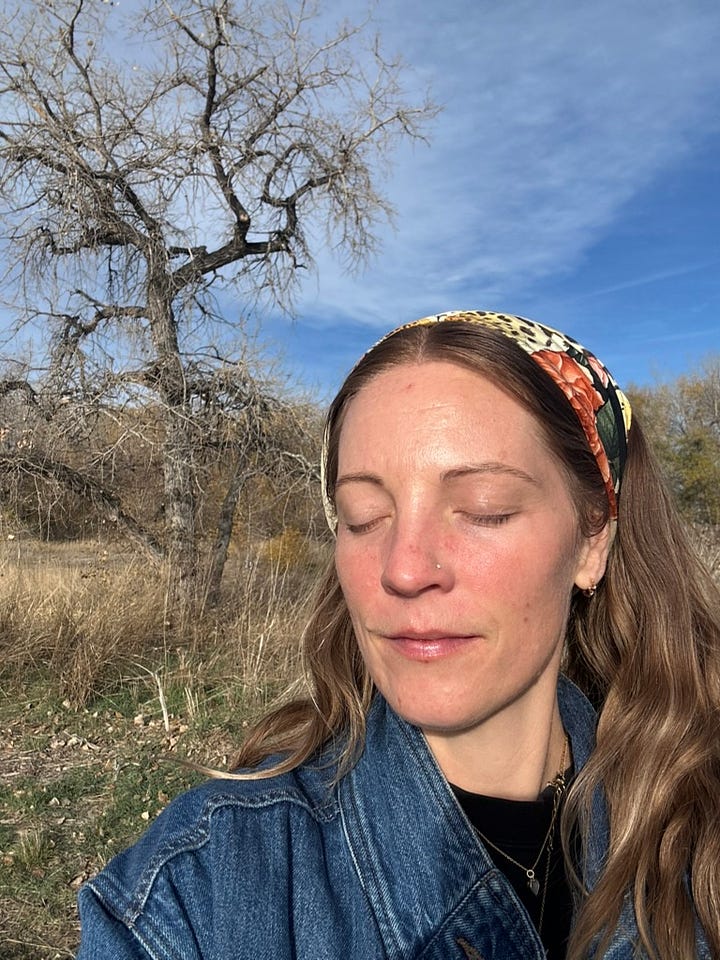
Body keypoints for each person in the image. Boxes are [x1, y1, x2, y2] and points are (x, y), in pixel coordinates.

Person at [76, 310, 720, 960]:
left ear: (592, 540)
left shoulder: (699, 832)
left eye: (483, 509)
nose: (404, 569)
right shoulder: (192, 896)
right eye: (364, 517)